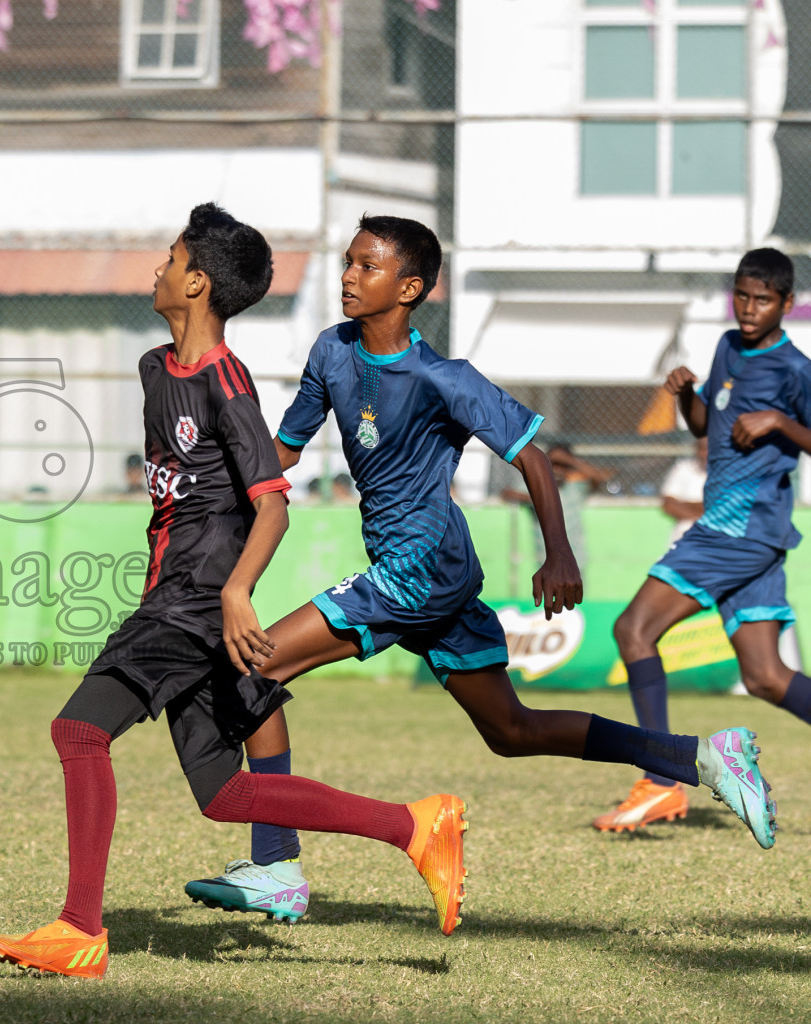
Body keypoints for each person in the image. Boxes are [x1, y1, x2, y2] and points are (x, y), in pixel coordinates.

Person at [179, 216, 776, 931]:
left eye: (367, 267)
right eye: (347, 262)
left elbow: (530, 454)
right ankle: (706, 757)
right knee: (512, 730)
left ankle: (275, 866)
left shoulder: (444, 379)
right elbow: (284, 449)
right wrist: (201, 481)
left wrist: (559, 550)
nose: (346, 276)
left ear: (410, 289)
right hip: (437, 574)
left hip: (418, 572)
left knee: (252, 674)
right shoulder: (331, 351)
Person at [594, 248, 811, 834]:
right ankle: (662, 781)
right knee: (767, 677)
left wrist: (782, 424)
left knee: (632, 630)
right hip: (751, 536)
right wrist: (687, 394)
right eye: (741, 295)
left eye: (762, 299)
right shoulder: (727, 346)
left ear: (786, 305)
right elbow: (705, 426)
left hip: (737, 530)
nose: (748, 308)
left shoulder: (795, 370)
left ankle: (661, 781)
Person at [502, 441, 613, 571]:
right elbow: (507, 493)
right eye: (553, 464)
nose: (558, 470)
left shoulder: (575, 488)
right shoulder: (536, 488)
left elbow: (601, 477)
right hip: (547, 561)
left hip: (576, 559)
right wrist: (538, 497)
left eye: (563, 465)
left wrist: (569, 460)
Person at [659, 434, 709, 544]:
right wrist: (703, 517)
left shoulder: (729, 473)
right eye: (702, 448)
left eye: (710, 449)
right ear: (696, 449)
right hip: (682, 540)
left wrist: (684, 504)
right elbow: (669, 505)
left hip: (714, 544)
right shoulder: (683, 468)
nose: (706, 454)